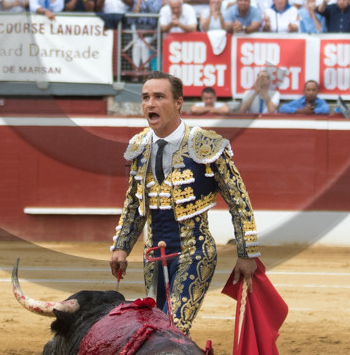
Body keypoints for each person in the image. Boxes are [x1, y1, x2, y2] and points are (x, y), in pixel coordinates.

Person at [109, 71, 259, 335]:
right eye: (145, 97)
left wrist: (246, 253)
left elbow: (239, 200)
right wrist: (121, 247)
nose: (150, 103)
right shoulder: (139, 146)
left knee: (172, 327)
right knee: (155, 326)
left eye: (159, 97)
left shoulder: (205, 145)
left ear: (178, 102)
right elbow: (134, 203)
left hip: (194, 252)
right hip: (153, 256)